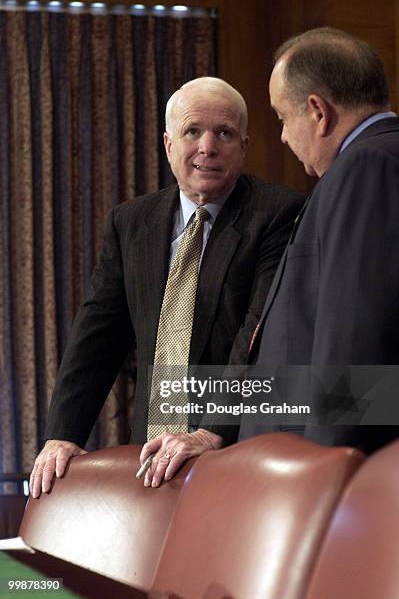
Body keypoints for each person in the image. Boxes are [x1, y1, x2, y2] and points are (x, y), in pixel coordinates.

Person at [30, 76, 303, 496]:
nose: (207, 147)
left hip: (233, 452)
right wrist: (64, 434)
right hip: (151, 455)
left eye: (224, 133)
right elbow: (97, 335)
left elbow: (256, 334)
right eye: (192, 131)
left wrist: (211, 431)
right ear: (168, 143)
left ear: (244, 146)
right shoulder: (130, 222)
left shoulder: (277, 214)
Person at [238, 27, 399, 450]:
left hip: (320, 471)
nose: (284, 136)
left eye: (281, 117)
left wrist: (328, 468)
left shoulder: (367, 167)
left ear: (317, 112)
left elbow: (354, 333)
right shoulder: (373, 162)